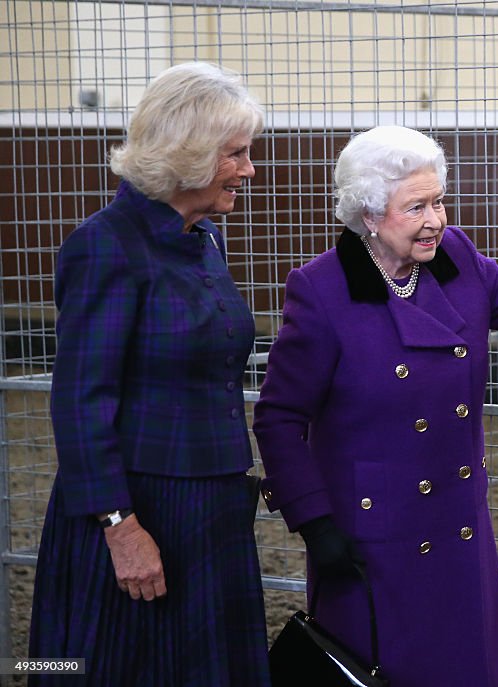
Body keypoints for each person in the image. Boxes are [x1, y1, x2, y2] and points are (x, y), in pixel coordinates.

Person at [252, 125, 498, 686]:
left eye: (439, 201)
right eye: (417, 206)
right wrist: (315, 524)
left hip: (457, 520)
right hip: (372, 537)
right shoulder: (322, 291)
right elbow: (279, 417)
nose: (436, 219)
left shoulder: (457, 259)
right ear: (370, 216)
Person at [29, 62, 270, 686]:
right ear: (189, 155)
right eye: (236, 154)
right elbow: (81, 400)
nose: (249, 169)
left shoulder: (204, 237)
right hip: (139, 509)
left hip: (210, 503)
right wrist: (120, 528)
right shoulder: (107, 244)